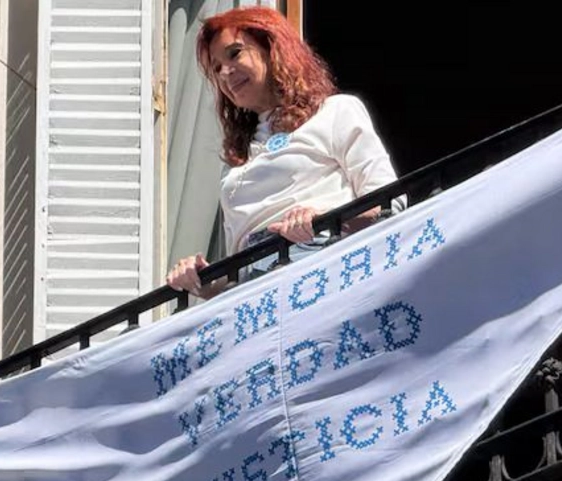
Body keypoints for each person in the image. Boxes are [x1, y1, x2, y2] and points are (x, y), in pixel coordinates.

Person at [166, 6, 405, 299]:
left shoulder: (335, 112)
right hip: (256, 297)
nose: (225, 72)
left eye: (235, 53)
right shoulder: (237, 157)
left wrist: (324, 221)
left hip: (326, 275)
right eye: (216, 68)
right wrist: (202, 281)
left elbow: (390, 204)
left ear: (272, 49)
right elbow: (238, 271)